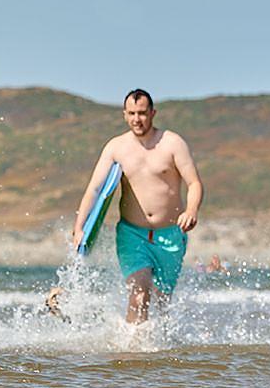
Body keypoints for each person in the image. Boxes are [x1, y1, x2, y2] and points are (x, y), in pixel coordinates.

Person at [70, 90, 204, 324]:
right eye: (131, 113)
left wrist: (191, 210)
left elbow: (194, 183)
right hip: (132, 234)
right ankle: (132, 350)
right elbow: (94, 189)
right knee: (139, 293)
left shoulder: (172, 143)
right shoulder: (116, 147)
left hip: (170, 236)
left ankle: (155, 355)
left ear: (152, 113)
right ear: (124, 115)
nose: (137, 119)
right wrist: (80, 226)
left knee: (162, 303)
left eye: (142, 113)